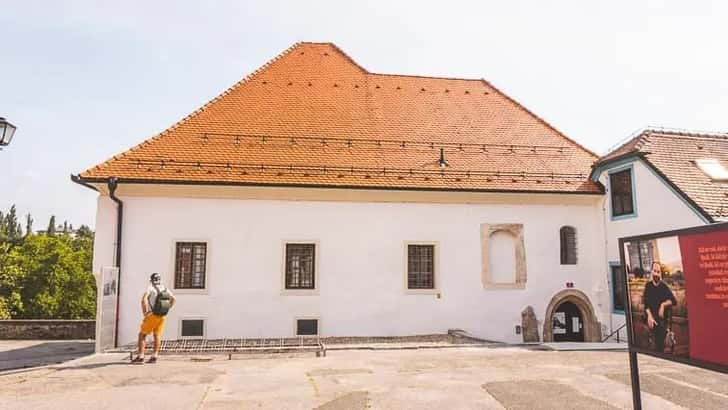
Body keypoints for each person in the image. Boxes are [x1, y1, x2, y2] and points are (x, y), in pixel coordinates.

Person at [131, 273, 176, 364]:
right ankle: (154, 356)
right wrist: (168, 308)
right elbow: (174, 299)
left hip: (152, 315)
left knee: (142, 335)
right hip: (162, 316)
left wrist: (145, 312)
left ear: (151, 280)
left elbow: (144, 300)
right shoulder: (165, 288)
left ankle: (141, 356)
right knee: (157, 335)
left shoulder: (150, 288)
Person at [642, 261, 676, 353]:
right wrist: (649, 315)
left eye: (658, 271)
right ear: (651, 271)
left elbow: (673, 300)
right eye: (655, 271)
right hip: (650, 317)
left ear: (660, 273)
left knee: (659, 330)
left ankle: (659, 349)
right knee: (651, 327)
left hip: (661, 319)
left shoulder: (663, 287)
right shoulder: (648, 286)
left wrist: (663, 305)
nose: (656, 273)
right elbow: (646, 304)